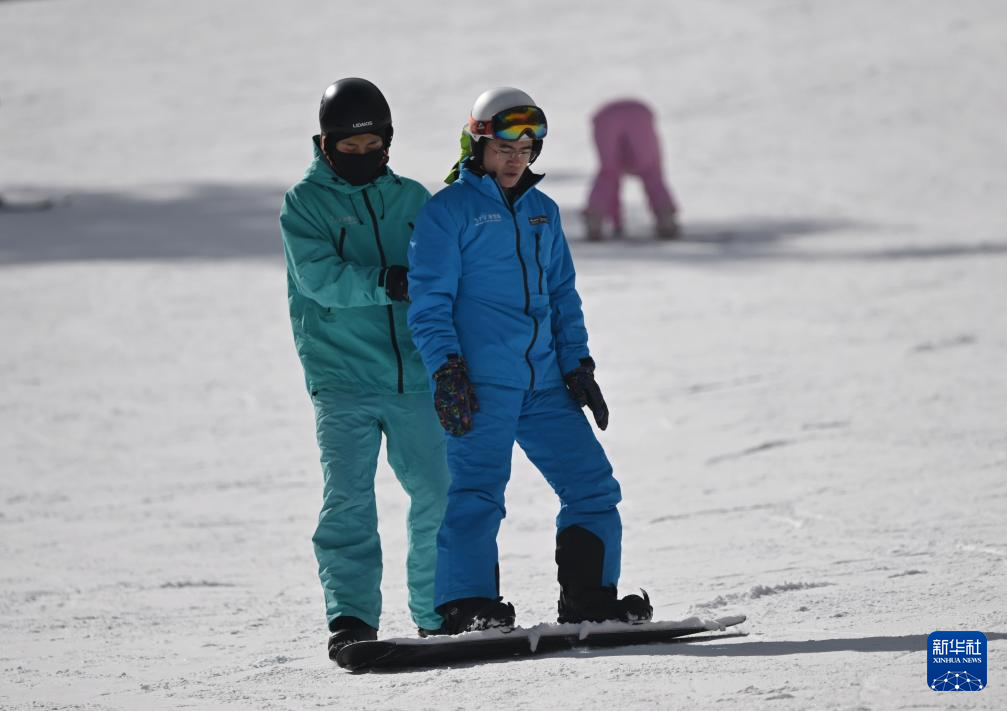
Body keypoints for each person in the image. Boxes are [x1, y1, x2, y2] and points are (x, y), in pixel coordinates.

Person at [407, 87, 653, 634]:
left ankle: (590, 599)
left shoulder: (544, 212)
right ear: (478, 146)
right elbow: (429, 303)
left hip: (544, 384)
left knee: (593, 487)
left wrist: (577, 365)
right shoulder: (447, 212)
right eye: (504, 149)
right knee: (477, 493)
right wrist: (447, 370)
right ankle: (466, 606)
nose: (515, 160)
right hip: (480, 383)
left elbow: (562, 295)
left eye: (526, 150)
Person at [279, 78, 450, 658]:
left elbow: (444, 274)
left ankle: (438, 611)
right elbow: (318, 278)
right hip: (342, 377)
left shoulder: (413, 199)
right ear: (326, 144)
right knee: (349, 498)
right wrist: (387, 281)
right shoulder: (305, 203)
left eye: (370, 145)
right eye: (347, 147)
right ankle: (351, 616)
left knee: (439, 492)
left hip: (415, 375)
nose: (360, 156)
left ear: (387, 141)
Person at [583, 99, 680, 241]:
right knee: (651, 171)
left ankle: (594, 220)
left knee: (608, 172)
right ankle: (666, 219)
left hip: (605, 117)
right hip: (639, 114)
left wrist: (617, 223)